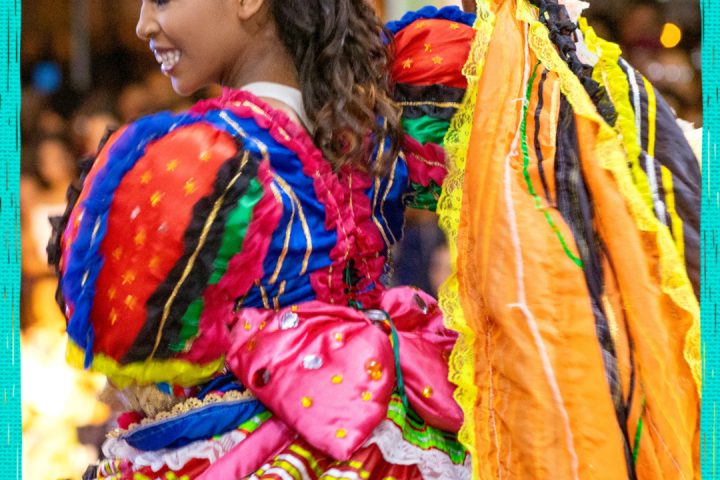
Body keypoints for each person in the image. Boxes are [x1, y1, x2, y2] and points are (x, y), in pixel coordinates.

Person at [50, 1, 478, 479]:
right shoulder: (376, 122)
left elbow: (132, 359)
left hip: (247, 447)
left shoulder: (195, 158)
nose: (143, 24)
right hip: (398, 427)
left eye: (162, 0)